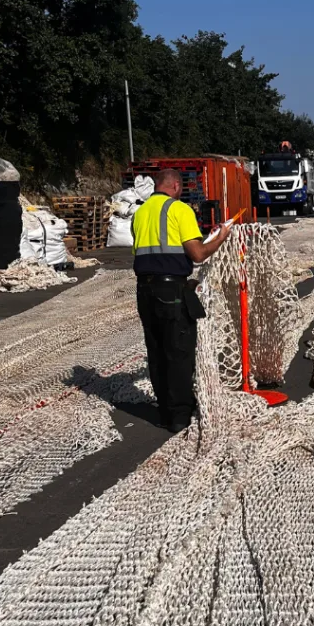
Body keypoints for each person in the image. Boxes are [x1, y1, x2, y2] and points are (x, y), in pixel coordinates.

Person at [131, 169, 231, 432]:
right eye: (180, 188)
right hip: (171, 290)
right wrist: (219, 239)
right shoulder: (179, 210)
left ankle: (164, 411)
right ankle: (179, 416)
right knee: (178, 351)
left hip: (145, 289)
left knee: (157, 351)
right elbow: (197, 254)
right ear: (175, 186)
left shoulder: (140, 213)